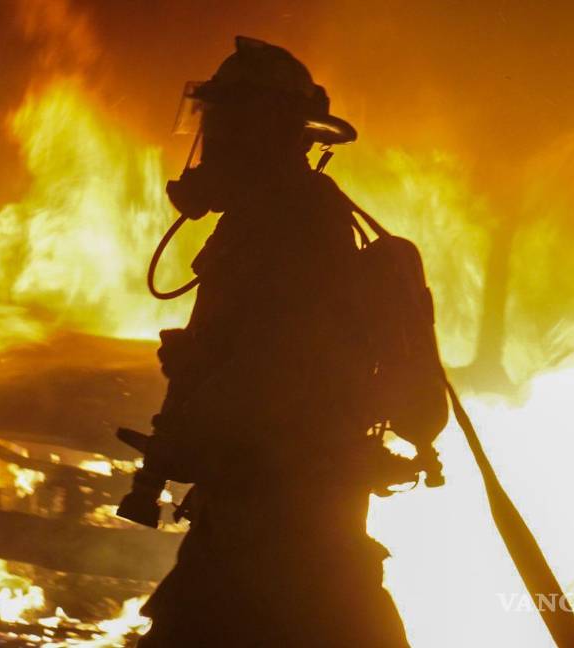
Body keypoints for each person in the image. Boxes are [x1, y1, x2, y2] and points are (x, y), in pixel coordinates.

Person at [132, 36, 413, 648]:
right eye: (212, 124)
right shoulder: (265, 221)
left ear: (262, 132)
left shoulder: (297, 230)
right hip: (262, 517)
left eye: (227, 125)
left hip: (283, 520)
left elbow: (280, 377)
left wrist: (198, 406)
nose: (212, 144)